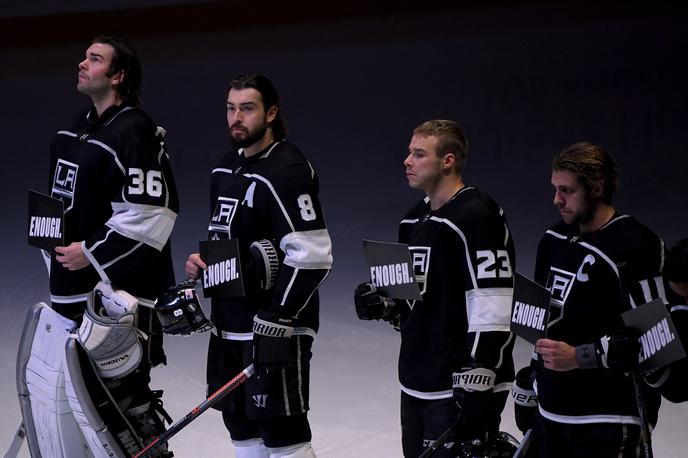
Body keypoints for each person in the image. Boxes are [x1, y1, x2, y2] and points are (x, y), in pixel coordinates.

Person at [185, 74, 332, 458]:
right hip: (228, 325)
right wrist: (205, 263)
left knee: (282, 431)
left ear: (270, 113)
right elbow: (230, 239)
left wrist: (278, 316)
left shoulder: (287, 169)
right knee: (239, 424)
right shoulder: (224, 169)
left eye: (247, 109)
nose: (236, 117)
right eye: (230, 108)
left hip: (272, 329)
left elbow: (314, 255)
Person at [45, 34, 178, 450]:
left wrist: (90, 252)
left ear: (118, 76)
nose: (82, 63)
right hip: (76, 288)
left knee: (127, 406)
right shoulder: (81, 126)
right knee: (87, 402)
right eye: (84, 55)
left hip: (120, 296)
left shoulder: (134, 132)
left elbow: (154, 213)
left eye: (95, 59)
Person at [355, 120, 516, 457]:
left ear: (448, 161)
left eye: (418, 154)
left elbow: (495, 299)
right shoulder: (412, 221)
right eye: (409, 153)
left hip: (460, 381)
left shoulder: (478, 216)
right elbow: (415, 302)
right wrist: (384, 304)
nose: (407, 161)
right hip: (417, 377)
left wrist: (481, 369)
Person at [529, 142, 666, 457]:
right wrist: (532, 378)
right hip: (551, 414)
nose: (556, 200)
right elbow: (544, 324)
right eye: (555, 188)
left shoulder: (635, 246)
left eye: (567, 190)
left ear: (597, 187)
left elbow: (657, 344)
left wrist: (580, 357)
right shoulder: (553, 241)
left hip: (607, 419)